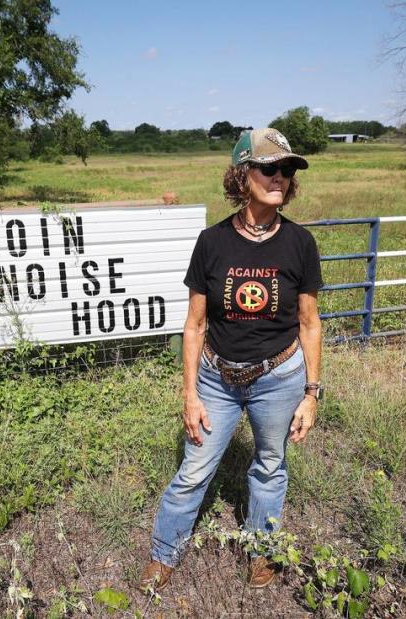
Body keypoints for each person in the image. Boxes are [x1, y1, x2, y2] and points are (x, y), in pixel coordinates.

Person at [140, 128, 324, 591]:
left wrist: (311, 394)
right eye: (269, 168)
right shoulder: (213, 243)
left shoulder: (300, 244)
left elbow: (309, 324)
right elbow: (195, 326)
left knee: (269, 465)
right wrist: (190, 394)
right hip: (217, 378)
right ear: (243, 176)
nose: (280, 177)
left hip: (279, 377)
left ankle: (262, 552)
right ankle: (165, 554)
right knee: (194, 470)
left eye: (287, 170)